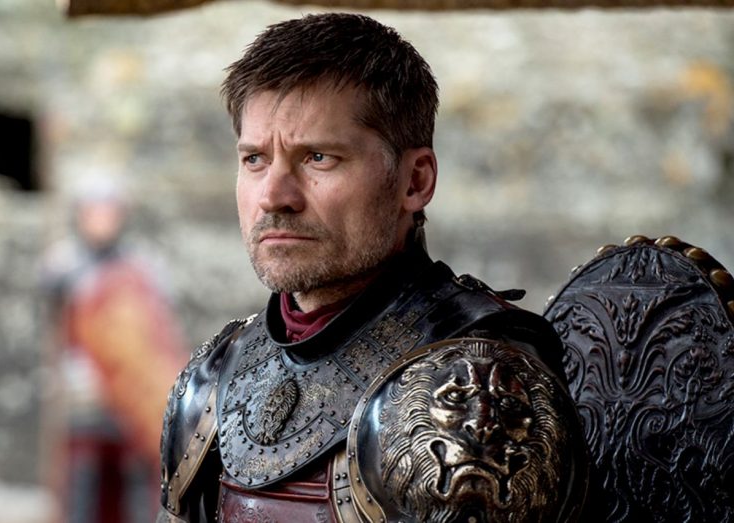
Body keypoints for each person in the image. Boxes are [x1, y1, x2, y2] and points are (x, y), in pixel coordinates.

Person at [157, 13, 587, 523]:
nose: (274, 195)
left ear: (415, 182)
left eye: (318, 157)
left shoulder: (476, 382)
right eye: (255, 159)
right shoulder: (213, 379)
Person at [42, 178, 186, 523]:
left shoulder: (143, 268)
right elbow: (58, 333)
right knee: (83, 491)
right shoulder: (62, 267)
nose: (102, 220)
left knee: (137, 491)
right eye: (95, 211)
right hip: (84, 398)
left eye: (108, 211)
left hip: (132, 403)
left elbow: (154, 337)